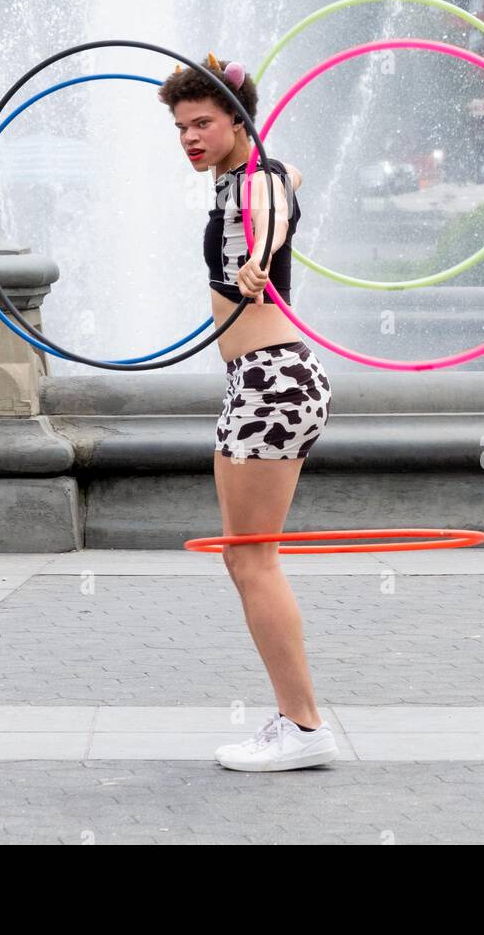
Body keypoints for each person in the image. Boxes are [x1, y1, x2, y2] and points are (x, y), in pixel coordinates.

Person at [158, 51, 337, 772]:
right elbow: (291, 176)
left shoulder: (251, 185)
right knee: (244, 558)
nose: (189, 137)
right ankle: (296, 721)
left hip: (272, 383)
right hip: (258, 384)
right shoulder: (253, 175)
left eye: (202, 122)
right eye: (180, 126)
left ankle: (303, 727)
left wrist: (258, 258)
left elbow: (270, 206)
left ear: (239, 124)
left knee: (253, 559)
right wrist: (276, 187)